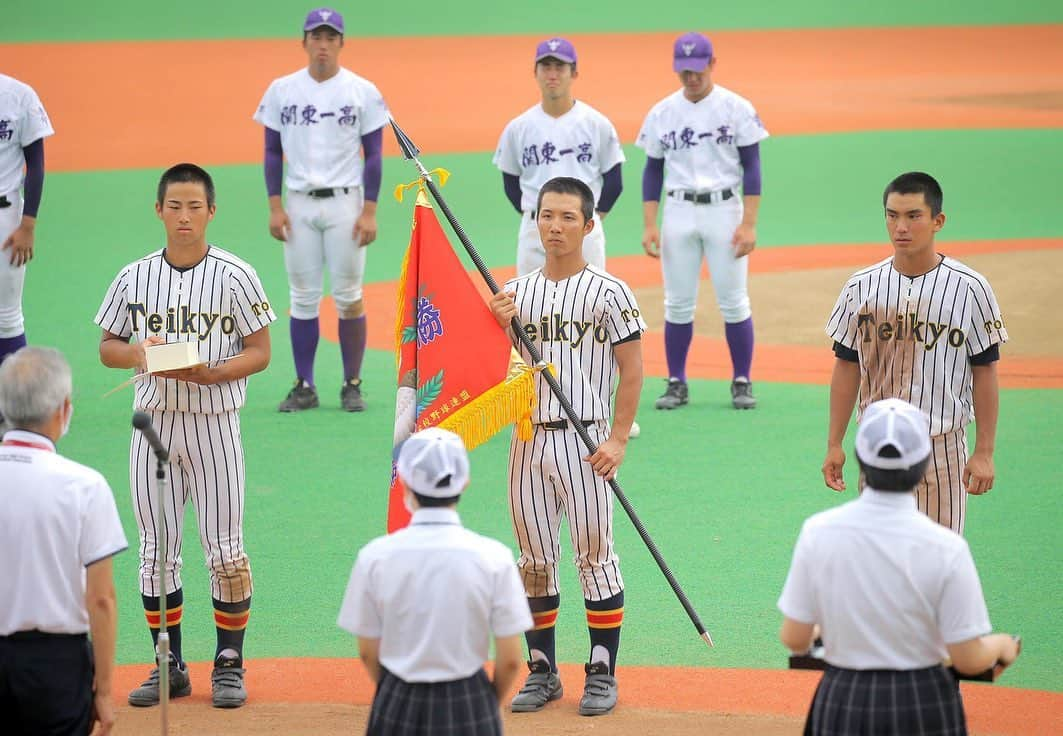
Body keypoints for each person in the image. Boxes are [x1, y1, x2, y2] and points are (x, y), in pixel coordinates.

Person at [95, 163, 275, 709]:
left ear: (211, 212)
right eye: (174, 206)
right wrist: (139, 354)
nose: (184, 217)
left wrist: (214, 373)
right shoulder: (134, 277)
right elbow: (108, 347)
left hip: (216, 425)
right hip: (155, 428)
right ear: (159, 211)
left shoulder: (237, 275)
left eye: (194, 206)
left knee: (225, 549)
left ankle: (228, 661)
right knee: (156, 551)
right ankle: (166, 663)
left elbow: (261, 352)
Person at [489, 177, 644, 717]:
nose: (555, 226)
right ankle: (542, 670)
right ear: (535, 221)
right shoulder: (514, 293)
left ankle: (601, 670)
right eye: (546, 216)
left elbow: (632, 370)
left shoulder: (610, 292)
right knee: (533, 560)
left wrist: (619, 439)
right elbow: (495, 372)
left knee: (595, 556)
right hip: (527, 440)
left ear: (589, 224)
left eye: (567, 218)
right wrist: (499, 326)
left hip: (587, 443)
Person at [779, 397, 1022, 735]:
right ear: (923, 465)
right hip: (923, 702)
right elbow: (967, 658)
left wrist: (832, 630)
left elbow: (794, 638)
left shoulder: (818, 532)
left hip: (844, 698)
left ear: (862, 461)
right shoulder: (947, 548)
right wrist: (1002, 646)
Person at [822, 172, 1007, 534]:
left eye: (913, 216)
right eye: (892, 216)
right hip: (878, 443)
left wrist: (984, 451)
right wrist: (834, 443)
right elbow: (847, 366)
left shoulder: (970, 289)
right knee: (880, 560)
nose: (900, 227)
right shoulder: (861, 287)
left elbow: (985, 371)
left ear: (938, 221)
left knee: (937, 562)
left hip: (941, 448)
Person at [338, 428, 531, 735]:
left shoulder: (375, 557)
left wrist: (394, 692)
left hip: (398, 697)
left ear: (404, 481)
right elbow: (509, 661)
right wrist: (484, 702)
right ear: (464, 482)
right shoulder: (494, 557)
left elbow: (367, 651)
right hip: (468, 699)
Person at [254, 7, 388, 413]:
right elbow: (272, 151)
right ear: (305, 42)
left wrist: (369, 210)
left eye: (331, 37)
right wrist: (274, 205)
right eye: (317, 37)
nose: (324, 45)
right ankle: (304, 385)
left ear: (341, 44)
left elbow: (375, 154)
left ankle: (351, 383)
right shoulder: (281, 90)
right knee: (303, 297)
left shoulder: (362, 91)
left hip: (347, 203)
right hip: (298, 203)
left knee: (348, 296)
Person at [637, 31, 768, 411]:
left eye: (697, 70)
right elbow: (652, 170)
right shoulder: (663, 111)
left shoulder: (737, 108)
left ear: (713, 64)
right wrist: (649, 223)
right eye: (684, 71)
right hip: (678, 211)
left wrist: (750, 223)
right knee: (677, 303)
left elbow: (752, 167)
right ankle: (677, 381)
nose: (691, 78)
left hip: (725, 210)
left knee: (733, 300)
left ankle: (741, 380)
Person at [0, 346, 126, 735]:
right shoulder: (85, 487)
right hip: (57, 667)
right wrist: (104, 691)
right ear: (62, 410)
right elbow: (101, 599)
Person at [493, 37, 625, 278]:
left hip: (584, 230)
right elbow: (510, 183)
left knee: (590, 305)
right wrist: (540, 216)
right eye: (546, 67)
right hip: (535, 230)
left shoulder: (596, 124)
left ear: (573, 73)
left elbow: (614, 181)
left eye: (560, 67)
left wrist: (588, 217)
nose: (552, 74)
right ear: (535, 72)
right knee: (530, 306)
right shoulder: (518, 128)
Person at [0, 74, 54, 436]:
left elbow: (36, 163)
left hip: (6, 219)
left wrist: (28, 224)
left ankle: (17, 406)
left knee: (6, 315)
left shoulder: (18, 96)